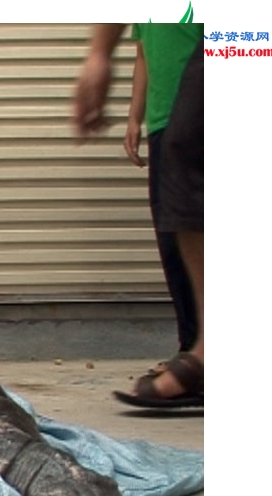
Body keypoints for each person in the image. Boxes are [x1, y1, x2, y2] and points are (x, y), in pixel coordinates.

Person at [74, 24, 203, 409]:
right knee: (180, 216)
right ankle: (200, 347)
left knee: (192, 141)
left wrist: (99, 54)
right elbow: (144, 52)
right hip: (169, 115)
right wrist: (101, 54)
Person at [123, 23, 201, 356]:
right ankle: (192, 352)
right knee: (172, 240)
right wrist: (134, 117)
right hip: (162, 123)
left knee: (200, 233)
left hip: (201, 116)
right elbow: (143, 55)